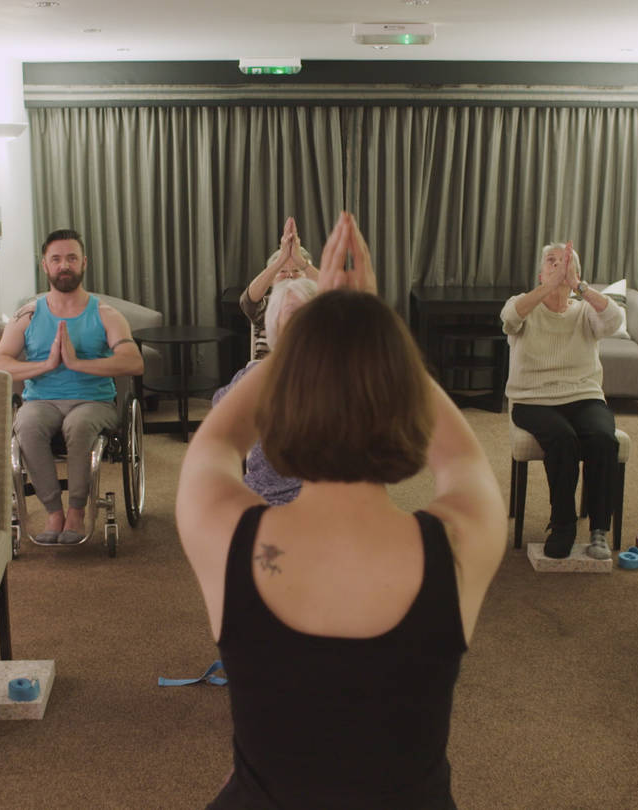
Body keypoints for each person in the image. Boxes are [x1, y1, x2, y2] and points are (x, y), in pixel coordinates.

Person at [178, 212, 506, 809]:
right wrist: (365, 325)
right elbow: (464, 461)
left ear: (282, 408)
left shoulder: (225, 535)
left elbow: (217, 443)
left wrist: (311, 333)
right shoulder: (461, 542)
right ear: (402, 402)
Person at [0, 229, 145, 544]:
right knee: (26, 425)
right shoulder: (28, 314)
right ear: (45, 266)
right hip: (40, 401)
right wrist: (45, 366)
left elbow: (134, 362)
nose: (64, 265)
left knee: (79, 424)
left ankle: (76, 510)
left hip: (93, 402)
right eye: (56, 259)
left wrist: (77, 364)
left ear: (83, 263)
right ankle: (52, 512)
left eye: (71, 258)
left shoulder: (105, 314)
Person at [500, 241, 626, 559]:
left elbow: (614, 320)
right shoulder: (524, 305)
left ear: (576, 274)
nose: (557, 265)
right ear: (541, 273)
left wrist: (577, 286)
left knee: (602, 438)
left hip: (583, 395)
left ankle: (599, 529)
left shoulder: (585, 311)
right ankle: (563, 525)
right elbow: (509, 318)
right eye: (550, 262)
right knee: (562, 439)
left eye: (564, 262)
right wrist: (550, 288)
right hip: (533, 398)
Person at [211, 274, 319, 504]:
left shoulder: (345, 380)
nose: (304, 320)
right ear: (274, 325)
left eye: (311, 313)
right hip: (267, 503)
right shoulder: (254, 379)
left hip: (327, 509)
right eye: (294, 312)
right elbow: (218, 416)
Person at [240, 216, 318, 360]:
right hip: (267, 373)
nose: (289, 276)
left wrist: (300, 260)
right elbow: (247, 301)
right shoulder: (267, 306)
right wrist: (281, 258)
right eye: (282, 272)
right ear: (271, 280)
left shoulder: (316, 306)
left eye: (296, 271)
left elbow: (335, 292)